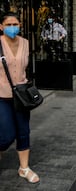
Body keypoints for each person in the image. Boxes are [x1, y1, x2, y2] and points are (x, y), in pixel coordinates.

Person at [0, 12, 40, 184]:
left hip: (22, 97)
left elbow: (24, 68)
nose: (12, 28)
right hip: (1, 96)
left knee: (23, 132)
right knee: (6, 135)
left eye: (15, 24)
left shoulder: (25, 42)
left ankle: (24, 168)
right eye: (8, 25)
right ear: (1, 27)